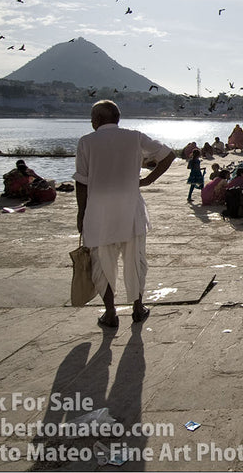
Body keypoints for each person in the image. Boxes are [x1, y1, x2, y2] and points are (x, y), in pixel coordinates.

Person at [74, 100, 175, 328]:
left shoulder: (86, 142)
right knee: (135, 261)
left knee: (103, 264)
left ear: (97, 120)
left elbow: (81, 182)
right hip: (130, 210)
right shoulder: (134, 137)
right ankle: (138, 308)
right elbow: (168, 155)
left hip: (99, 212)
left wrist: (81, 213)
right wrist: (147, 180)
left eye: (92, 117)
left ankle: (110, 313)